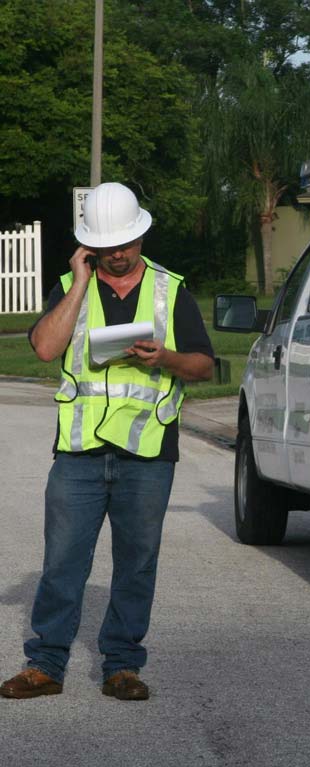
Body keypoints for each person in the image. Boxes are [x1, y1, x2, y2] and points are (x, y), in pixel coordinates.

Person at [0, 183, 214, 701]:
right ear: (89, 245)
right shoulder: (71, 286)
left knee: (137, 563)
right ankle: (45, 664)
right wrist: (77, 284)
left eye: (125, 243)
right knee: (63, 561)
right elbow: (47, 348)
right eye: (106, 245)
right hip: (78, 454)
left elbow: (205, 365)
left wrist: (163, 358)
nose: (117, 254)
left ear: (140, 235)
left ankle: (122, 665)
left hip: (147, 453)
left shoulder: (170, 290)